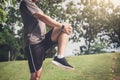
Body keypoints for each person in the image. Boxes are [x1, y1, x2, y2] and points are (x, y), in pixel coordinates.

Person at [19, 0, 74, 80]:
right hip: (33, 43)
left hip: (43, 40)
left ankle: (60, 57)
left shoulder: (35, 6)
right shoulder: (26, 2)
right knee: (36, 77)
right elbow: (41, 17)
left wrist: (61, 28)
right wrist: (61, 26)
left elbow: (47, 23)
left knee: (66, 27)